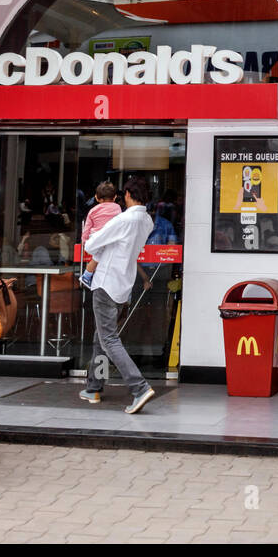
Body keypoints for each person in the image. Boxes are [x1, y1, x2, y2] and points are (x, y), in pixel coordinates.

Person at [80, 175, 157, 414]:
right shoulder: (147, 221)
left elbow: (91, 244)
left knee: (109, 340)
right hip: (123, 284)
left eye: (125, 194)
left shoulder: (124, 219)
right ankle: (94, 386)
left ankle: (139, 387)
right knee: (101, 337)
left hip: (105, 283)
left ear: (128, 195)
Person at [79, 180, 121, 290]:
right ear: (115, 197)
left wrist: (84, 243)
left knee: (98, 257)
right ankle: (87, 276)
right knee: (100, 256)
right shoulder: (117, 208)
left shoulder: (92, 210)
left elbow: (86, 229)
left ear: (96, 198)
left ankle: (89, 275)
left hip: (95, 239)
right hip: (108, 239)